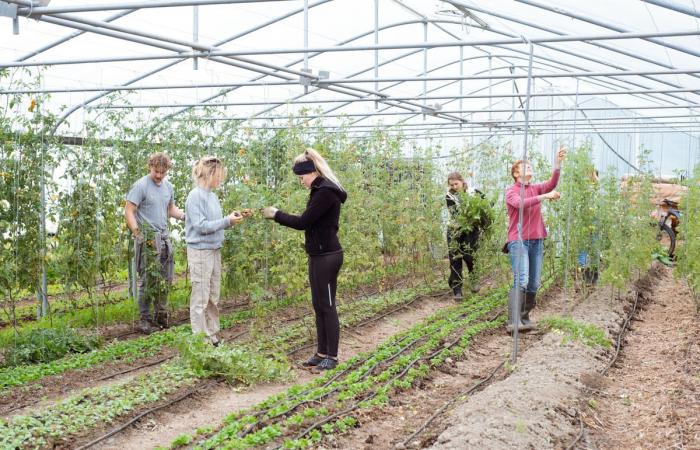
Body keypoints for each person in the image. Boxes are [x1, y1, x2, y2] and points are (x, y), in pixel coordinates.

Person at [262, 149, 347, 371]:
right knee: (318, 305)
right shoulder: (319, 189)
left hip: (328, 256)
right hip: (318, 255)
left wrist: (276, 214)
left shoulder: (325, 193)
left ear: (312, 172)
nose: (301, 182)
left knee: (327, 306)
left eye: (302, 177)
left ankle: (332, 356)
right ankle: (321, 352)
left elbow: (303, 222)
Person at [185, 156, 249, 346]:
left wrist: (232, 219)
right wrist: (226, 221)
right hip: (200, 251)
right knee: (201, 297)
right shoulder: (195, 196)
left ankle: (212, 336)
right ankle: (201, 340)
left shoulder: (212, 196)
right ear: (210, 173)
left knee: (213, 296)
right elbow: (201, 226)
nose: (220, 180)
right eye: (219, 176)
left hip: (214, 250)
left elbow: (215, 224)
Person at [505, 147, 566, 332]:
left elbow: (552, 183)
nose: (529, 168)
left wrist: (557, 163)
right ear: (516, 173)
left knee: (534, 283)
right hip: (519, 240)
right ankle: (513, 321)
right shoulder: (511, 191)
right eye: (525, 166)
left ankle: (524, 318)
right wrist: (544, 196)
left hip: (537, 240)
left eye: (530, 166)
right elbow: (520, 204)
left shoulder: (536, 188)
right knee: (521, 279)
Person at [125, 153, 185, 334]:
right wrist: (139, 235)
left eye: (162, 172)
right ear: (149, 167)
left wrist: (185, 217)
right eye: (156, 171)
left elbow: (170, 208)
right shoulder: (141, 185)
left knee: (166, 278)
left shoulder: (168, 187)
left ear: (167, 170)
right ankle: (145, 320)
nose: (159, 175)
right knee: (148, 280)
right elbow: (129, 211)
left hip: (164, 238)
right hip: (148, 239)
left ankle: (161, 316)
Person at [445, 172, 486, 299]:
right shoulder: (449, 196)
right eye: (452, 185)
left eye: (456, 184)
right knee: (455, 259)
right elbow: (456, 214)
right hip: (455, 230)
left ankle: (474, 281)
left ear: (462, 182)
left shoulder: (474, 192)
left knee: (470, 256)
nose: (454, 186)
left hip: (471, 230)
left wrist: (482, 215)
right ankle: (457, 290)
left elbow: (487, 205)